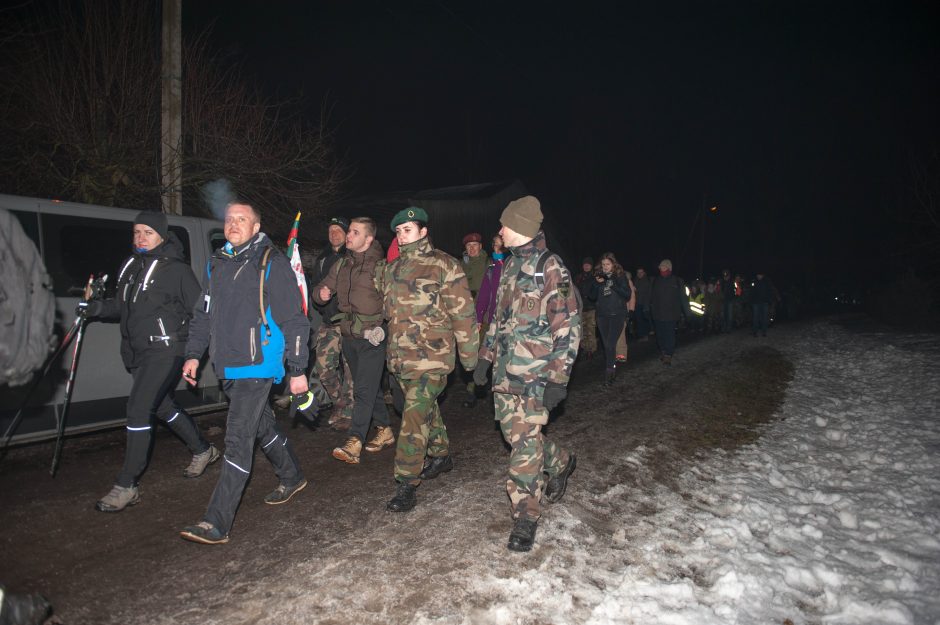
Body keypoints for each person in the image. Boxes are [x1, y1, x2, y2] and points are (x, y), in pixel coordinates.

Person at [179, 201, 309, 545]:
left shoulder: (270, 262)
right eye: (229, 219)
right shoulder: (217, 263)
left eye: (242, 220)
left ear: (255, 227)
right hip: (229, 364)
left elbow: (295, 320)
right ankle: (292, 475)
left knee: (237, 439)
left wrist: (297, 369)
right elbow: (203, 314)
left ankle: (216, 522)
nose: (233, 224)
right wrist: (193, 354)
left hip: (259, 362)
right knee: (260, 425)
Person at [81, 211, 219, 513]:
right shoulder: (130, 265)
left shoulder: (177, 270)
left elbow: (200, 311)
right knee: (162, 406)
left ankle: (126, 484)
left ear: (162, 236)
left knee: (139, 407)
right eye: (137, 232)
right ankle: (203, 449)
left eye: (148, 232)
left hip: (167, 351)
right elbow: (121, 306)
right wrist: (95, 308)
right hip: (136, 352)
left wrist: (189, 349)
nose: (141, 237)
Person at [474, 196, 580, 552]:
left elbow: (566, 327)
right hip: (506, 375)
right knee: (519, 437)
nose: (499, 230)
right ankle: (561, 461)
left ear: (520, 227)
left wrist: (558, 379)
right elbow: (498, 320)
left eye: (504, 224)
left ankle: (526, 514)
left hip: (536, 376)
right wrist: (485, 358)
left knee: (522, 443)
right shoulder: (507, 267)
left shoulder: (550, 268)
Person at [380, 207, 478, 513]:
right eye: (398, 231)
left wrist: (470, 357)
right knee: (423, 410)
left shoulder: (444, 265)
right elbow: (389, 315)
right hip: (401, 358)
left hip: (433, 358)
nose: (401, 235)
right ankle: (441, 453)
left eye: (407, 229)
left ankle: (406, 482)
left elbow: (463, 314)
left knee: (413, 415)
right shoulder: (392, 270)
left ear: (423, 232)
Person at [313, 217, 394, 464]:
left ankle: (355, 440)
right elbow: (320, 290)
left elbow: (395, 301)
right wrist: (321, 294)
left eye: (355, 232)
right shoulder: (342, 265)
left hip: (372, 337)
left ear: (368, 239)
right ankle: (385, 429)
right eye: (349, 231)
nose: (349, 235)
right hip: (349, 335)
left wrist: (383, 325)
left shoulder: (381, 267)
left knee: (362, 390)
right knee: (366, 386)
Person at [309, 217, 355, 431]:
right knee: (324, 367)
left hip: (349, 322)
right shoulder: (322, 258)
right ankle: (340, 403)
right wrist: (321, 300)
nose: (334, 233)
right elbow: (315, 287)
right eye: (331, 230)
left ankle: (349, 412)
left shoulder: (354, 256)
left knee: (350, 369)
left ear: (347, 234)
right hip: (329, 321)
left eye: (338, 230)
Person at [465, 233, 507, 407]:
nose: (497, 248)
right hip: (489, 320)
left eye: (500, 245)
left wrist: (499, 259)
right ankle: (478, 389)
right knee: (483, 355)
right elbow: (484, 295)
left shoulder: (508, 266)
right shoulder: (491, 269)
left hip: (508, 321)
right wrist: (479, 316)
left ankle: (503, 394)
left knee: (503, 359)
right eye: (495, 245)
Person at [590, 253, 631, 385]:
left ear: (613, 265)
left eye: (608, 264)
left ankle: (609, 372)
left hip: (617, 315)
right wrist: (596, 284)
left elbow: (627, 294)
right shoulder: (598, 277)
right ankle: (611, 367)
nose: (605, 267)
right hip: (602, 316)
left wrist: (610, 283)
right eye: (603, 264)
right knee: (607, 345)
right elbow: (591, 296)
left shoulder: (620, 276)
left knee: (610, 344)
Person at [650, 259, 688, 366]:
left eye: (663, 266)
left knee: (669, 334)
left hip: (671, 314)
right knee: (660, 335)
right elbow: (652, 297)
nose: (660, 268)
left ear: (668, 268)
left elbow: (683, 298)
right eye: (660, 267)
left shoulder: (677, 281)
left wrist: (687, 312)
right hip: (658, 314)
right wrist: (650, 309)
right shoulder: (656, 280)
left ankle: (668, 355)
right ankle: (663, 351)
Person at [573, 258, 597, 359]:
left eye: (588, 264)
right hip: (580, 308)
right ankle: (584, 348)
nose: (586, 266)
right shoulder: (578, 277)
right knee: (581, 330)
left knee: (590, 329)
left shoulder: (595, 277)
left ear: (591, 266)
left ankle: (591, 350)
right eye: (585, 264)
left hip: (591, 307)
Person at [749, 272, 778, 337]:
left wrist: (769, 300)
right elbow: (751, 292)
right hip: (755, 303)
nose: (759, 276)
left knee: (764, 317)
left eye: (760, 275)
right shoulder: (753, 281)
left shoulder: (767, 281)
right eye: (758, 275)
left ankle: (764, 332)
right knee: (755, 317)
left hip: (764, 302)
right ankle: (755, 332)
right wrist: (751, 301)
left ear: (763, 275)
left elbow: (770, 291)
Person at [460, 232, 488, 299]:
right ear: (465, 247)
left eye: (475, 244)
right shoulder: (459, 264)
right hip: (464, 302)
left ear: (480, 246)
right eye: (469, 245)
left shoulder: (489, 263)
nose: (472, 248)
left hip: (483, 302)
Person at [634, 267, 653, 341]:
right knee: (639, 320)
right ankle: (642, 335)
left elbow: (646, 293)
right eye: (638, 272)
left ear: (644, 273)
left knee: (644, 319)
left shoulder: (646, 281)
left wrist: (647, 304)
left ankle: (645, 335)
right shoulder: (635, 280)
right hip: (637, 303)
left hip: (644, 303)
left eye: (641, 272)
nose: (639, 274)